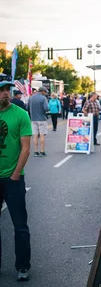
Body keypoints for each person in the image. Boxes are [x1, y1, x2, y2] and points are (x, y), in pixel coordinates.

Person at [0, 79, 32, 281]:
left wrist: (15, 175)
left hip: (13, 178)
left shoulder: (20, 114)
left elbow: (26, 148)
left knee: (20, 226)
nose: (5, 93)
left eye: (6, 90)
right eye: (1, 90)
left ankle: (23, 266)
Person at [28, 86, 49, 157]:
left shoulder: (31, 98)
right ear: (42, 91)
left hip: (33, 119)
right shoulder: (43, 98)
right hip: (42, 119)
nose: (45, 93)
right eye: (45, 92)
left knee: (35, 135)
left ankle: (35, 151)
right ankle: (42, 151)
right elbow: (46, 108)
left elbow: (27, 107)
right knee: (42, 135)